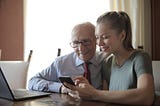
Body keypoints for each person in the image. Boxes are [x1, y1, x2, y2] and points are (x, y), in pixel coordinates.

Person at [65, 11, 155, 105]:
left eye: (105, 37)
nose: (99, 43)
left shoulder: (140, 58)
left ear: (122, 36)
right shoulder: (107, 62)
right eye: (97, 37)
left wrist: (94, 93)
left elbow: (146, 97)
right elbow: (105, 99)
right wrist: (87, 89)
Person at [28, 22, 106, 93]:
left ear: (97, 41)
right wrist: (60, 87)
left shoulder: (106, 60)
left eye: (86, 42)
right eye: (75, 43)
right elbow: (32, 81)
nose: (81, 48)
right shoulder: (61, 63)